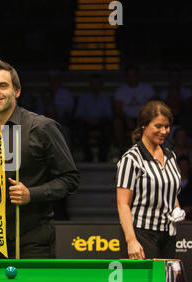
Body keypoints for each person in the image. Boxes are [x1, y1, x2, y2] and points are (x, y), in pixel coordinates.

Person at [0, 57, 79, 258]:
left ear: (17, 91)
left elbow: (70, 179)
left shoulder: (42, 128)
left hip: (33, 243)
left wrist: (32, 194)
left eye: (3, 85)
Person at [116, 100, 185, 259]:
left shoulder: (170, 155)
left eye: (167, 126)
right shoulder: (131, 159)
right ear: (143, 125)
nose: (164, 131)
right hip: (142, 234)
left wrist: (176, 208)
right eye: (158, 126)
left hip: (168, 234)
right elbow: (123, 204)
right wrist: (131, 240)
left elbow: (170, 191)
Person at [113, 65, 156, 155]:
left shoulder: (146, 88)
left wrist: (142, 119)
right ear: (126, 77)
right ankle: (121, 149)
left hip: (144, 119)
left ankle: (150, 150)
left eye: (134, 75)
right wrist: (126, 119)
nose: (132, 78)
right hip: (126, 119)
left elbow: (153, 105)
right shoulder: (121, 90)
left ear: (138, 75)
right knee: (117, 122)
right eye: (129, 75)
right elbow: (117, 109)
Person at [74, 74, 112, 162]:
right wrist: (88, 120)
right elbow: (78, 114)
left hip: (101, 122)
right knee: (80, 126)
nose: (95, 85)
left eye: (97, 83)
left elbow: (109, 115)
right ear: (90, 84)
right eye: (93, 83)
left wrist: (98, 120)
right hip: (86, 122)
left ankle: (102, 157)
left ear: (101, 85)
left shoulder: (105, 98)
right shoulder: (83, 97)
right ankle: (88, 156)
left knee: (107, 127)